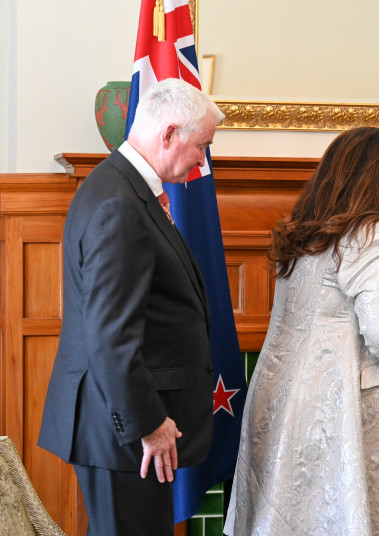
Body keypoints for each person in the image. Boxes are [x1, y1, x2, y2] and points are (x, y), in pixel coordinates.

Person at [37, 78, 225, 535]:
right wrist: (148, 424)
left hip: (119, 430)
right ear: (168, 135)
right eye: (201, 146)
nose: (202, 161)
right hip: (124, 434)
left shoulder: (122, 188)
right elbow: (111, 337)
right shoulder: (119, 203)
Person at [224, 127, 379, 536]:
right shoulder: (374, 232)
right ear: (375, 174)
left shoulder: (303, 231)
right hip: (337, 407)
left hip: (277, 397)